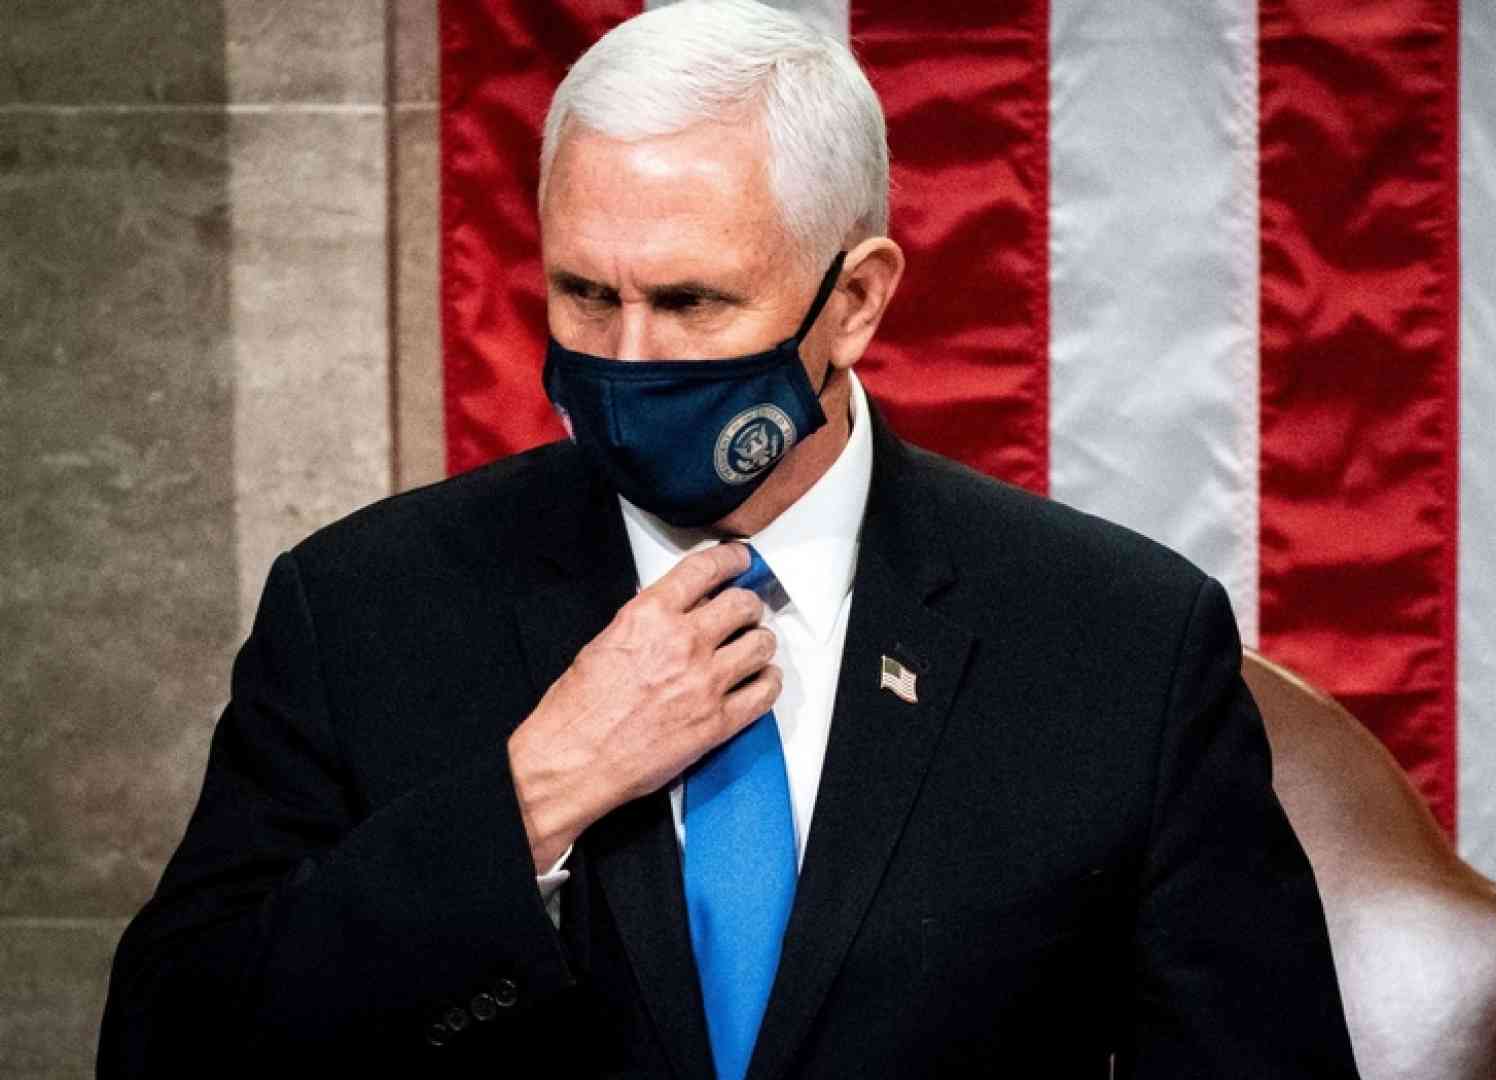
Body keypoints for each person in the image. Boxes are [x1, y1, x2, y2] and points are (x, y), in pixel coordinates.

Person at [99, 2, 1359, 1075]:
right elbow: (170, 1044)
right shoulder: (362, 609)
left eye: (691, 301)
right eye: (585, 294)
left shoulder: (1118, 641)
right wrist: (534, 795)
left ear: (854, 302)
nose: (628, 357)